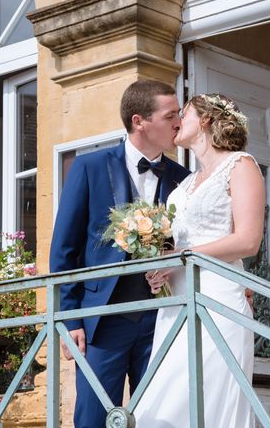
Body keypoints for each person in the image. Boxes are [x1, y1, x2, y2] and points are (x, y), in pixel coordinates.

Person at [49, 80, 191, 428]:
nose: (177, 123)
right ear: (139, 120)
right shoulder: (89, 167)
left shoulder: (184, 179)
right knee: (93, 417)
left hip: (161, 318)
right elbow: (64, 249)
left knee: (158, 416)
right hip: (103, 320)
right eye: (170, 115)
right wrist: (70, 319)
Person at [134, 93, 265, 427]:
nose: (177, 121)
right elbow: (181, 246)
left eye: (185, 114)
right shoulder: (186, 184)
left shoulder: (241, 165)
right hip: (176, 303)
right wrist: (161, 268)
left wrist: (181, 257)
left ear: (205, 120)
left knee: (204, 403)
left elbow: (248, 240)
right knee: (160, 407)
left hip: (218, 299)